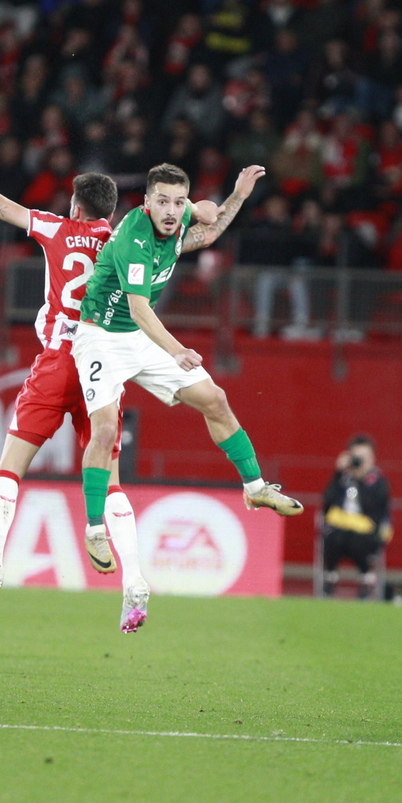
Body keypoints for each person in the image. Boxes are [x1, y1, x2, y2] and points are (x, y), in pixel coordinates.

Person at [0, 139, 219, 631]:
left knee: (11, 467)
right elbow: (201, 229)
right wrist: (200, 206)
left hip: (61, 360)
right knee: (113, 483)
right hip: (106, 359)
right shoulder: (129, 236)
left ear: (74, 205)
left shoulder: (55, 227)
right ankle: (135, 584)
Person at [72, 163, 303, 631]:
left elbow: (208, 233)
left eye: (180, 202)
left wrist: (237, 196)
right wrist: (177, 351)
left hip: (141, 338)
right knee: (105, 429)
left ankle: (256, 489)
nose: (172, 211)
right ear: (147, 201)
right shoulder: (136, 236)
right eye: (163, 201)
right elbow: (138, 308)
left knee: (215, 398)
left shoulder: (178, 223)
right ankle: (95, 529)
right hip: (101, 336)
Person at [321, 434, 392, 599]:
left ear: (372, 458)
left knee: (356, 540)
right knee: (334, 536)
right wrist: (338, 473)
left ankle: (366, 579)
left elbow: (372, 507)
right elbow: (327, 502)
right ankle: (330, 578)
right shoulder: (343, 479)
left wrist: (361, 478)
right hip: (340, 529)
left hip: (365, 532)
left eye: (363, 458)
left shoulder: (379, 482)